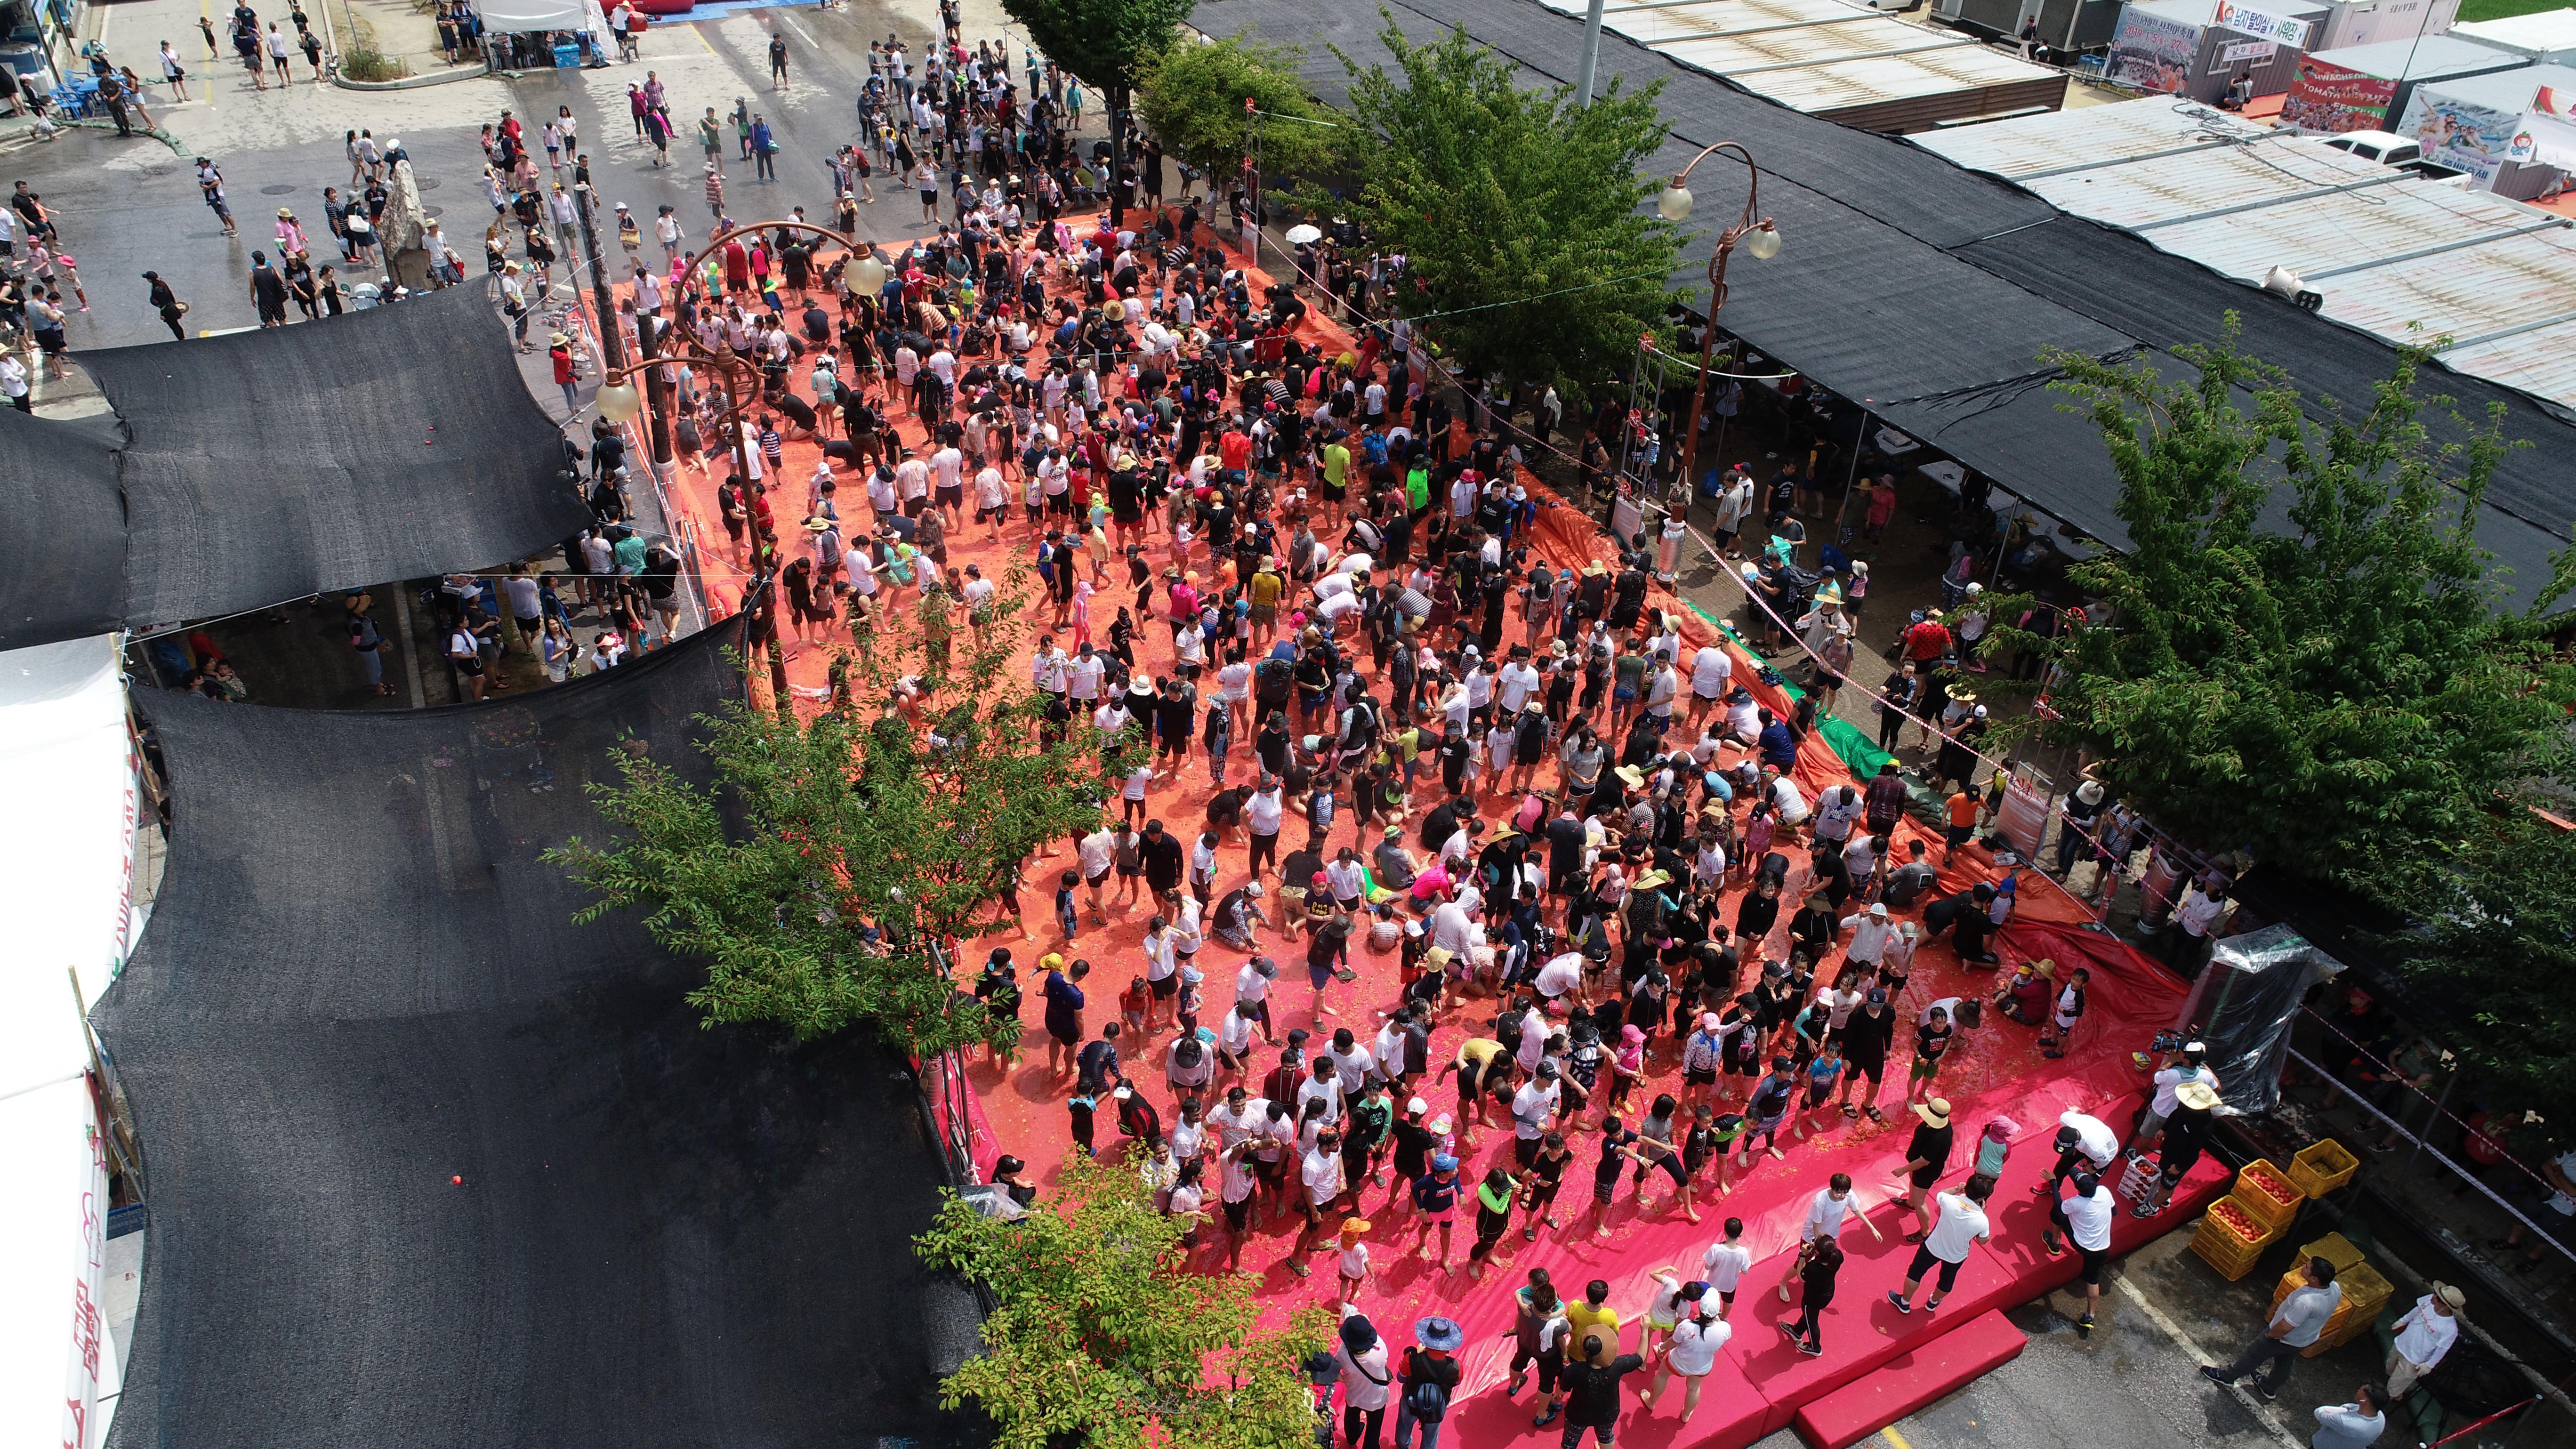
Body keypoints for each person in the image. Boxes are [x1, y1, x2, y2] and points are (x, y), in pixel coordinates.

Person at [2203, 1256, 2343, 1400]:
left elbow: (2286, 1326)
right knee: (2284, 1364)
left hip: (2283, 1338)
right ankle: (2268, 1386)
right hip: (2304, 1339)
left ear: (2314, 1279)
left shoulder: (2306, 1302)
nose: (2303, 1267)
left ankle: (2227, 1376)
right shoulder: (2335, 1289)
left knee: (2254, 1355)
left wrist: (2271, 1335)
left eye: (2307, 1267)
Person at [1887, 1172, 1993, 1316]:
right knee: (1947, 1280)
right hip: (1956, 1256)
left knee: (1915, 1273)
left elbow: (1941, 1194)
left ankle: (1905, 1302)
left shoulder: (1949, 1202)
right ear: (1983, 1198)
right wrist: (1981, 1212)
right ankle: (1933, 1302)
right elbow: (1982, 1241)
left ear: (1966, 1187)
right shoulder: (1982, 1220)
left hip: (1932, 1247)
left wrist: (1956, 1189)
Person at [1636, 1280, 1726, 1420]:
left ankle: (1651, 1401)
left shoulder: (1687, 1326)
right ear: (1718, 1312)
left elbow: (1673, 1342)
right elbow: (1718, 1323)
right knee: (1694, 1388)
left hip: (1677, 1363)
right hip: (1702, 1367)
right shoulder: (1725, 1329)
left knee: (1662, 1376)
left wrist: (1661, 1347)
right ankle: (1686, 1414)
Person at [2043, 1169, 2115, 1336]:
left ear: (2079, 1189)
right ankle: (2090, 1315)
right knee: (2093, 1279)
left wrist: (2054, 1183)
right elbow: (2115, 1211)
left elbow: (2058, 1205)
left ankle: (2054, 1242)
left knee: (2057, 1213)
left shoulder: (2076, 1203)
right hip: (2102, 1248)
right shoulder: (2104, 1192)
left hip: (2082, 1244)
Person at [1554, 1326, 1647, 1447]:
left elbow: (1563, 1389)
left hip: (1578, 1416)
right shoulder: (1617, 1366)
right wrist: (1645, 1331)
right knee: (1606, 1437)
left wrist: (1558, 1395)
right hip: (1607, 1415)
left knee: (1569, 1443)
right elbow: (1640, 1358)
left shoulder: (1574, 1369)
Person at [1391, 1316, 1463, 1449]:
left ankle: (1403, 1445)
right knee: (1431, 1436)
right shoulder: (1456, 1367)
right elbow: (1457, 1383)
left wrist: (1416, 1355)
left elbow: (1401, 1378)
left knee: (1404, 1426)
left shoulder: (1410, 1359)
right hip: (1437, 1406)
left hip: (1411, 1402)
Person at [2385, 1283, 2464, 1400]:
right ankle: (2398, 1393)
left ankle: (2388, 1399)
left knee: (2394, 1386)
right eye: (2436, 1294)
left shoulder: (2450, 1329)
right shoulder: (2429, 1300)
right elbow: (2417, 1309)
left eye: (2438, 1298)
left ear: (2447, 1307)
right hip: (2401, 1344)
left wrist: (2429, 1365)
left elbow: (2442, 1348)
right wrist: (2403, 1321)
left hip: (2413, 1359)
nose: (2433, 1297)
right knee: (2389, 1368)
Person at [1895, 1097, 1955, 1241]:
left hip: (1926, 1172)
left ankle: (1925, 1231)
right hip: (1917, 1166)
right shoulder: (1938, 1125)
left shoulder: (1938, 1138)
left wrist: (1903, 1169)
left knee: (1920, 1201)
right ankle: (1910, 1203)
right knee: (1913, 1185)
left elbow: (1924, 1161)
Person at [1333, 1308, 1393, 1449]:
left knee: (1351, 1421)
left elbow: (1336, 1369)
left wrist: (1344, 1382)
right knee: (1374, 1430)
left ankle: (1352, 1442)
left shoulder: (1343, 1354)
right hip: (1376, 1398)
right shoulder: (1380, 1348)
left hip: (1354, 1395)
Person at [1778, 1234, 1841, 1356]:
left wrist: (1803, 1255)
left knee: (1812, 1321)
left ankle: (1815, 1347)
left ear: (1817, 1253)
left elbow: (1801, 1276)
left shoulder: (1813, 1269)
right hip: (1828, 1293)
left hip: (1813, 1299)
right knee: (1809, 1315)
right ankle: (1797, 1331)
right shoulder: (1838, 1257)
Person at [2311, 1387, 2388, 1449]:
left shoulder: (2344, 1422)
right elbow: (2350, 1407)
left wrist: (2343, 1410)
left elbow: (2319, 1412)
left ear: (2364, 1401)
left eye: (2359, 1390)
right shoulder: (2381, 1418)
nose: (2358, 1390)